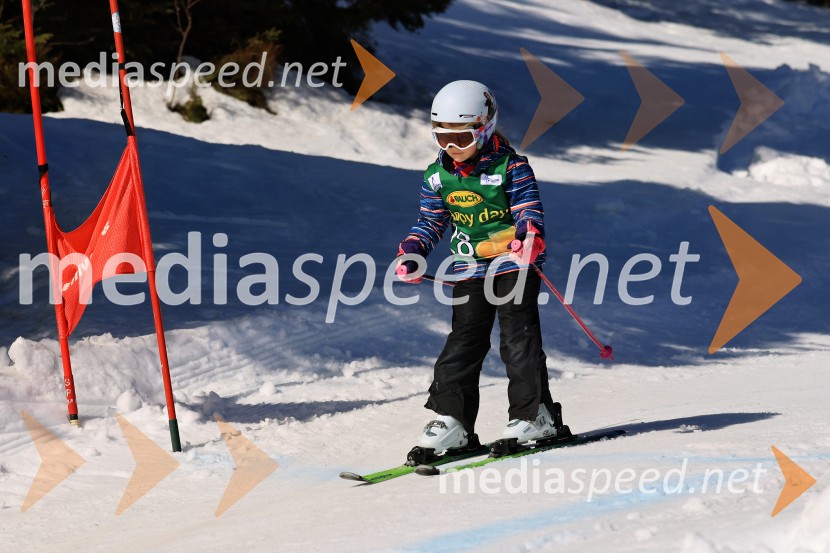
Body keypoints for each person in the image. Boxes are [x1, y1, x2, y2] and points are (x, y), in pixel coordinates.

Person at [396, 80, 564, 460]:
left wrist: (529, 238)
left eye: (461, 137)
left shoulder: (513, 168)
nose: (452, 147)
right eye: (442, 137)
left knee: (516, 340)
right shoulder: (437, 176)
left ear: (485, 127)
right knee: (463, 341)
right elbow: (430, 221)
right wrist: (413, 249)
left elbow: (528, 212)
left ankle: (534, 414)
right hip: (469, 267)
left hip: (514, 264)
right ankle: (453, 420)